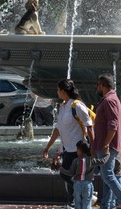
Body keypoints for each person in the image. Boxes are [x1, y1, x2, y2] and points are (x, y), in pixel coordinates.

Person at [43, 79, 95, 209]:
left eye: (58, 89)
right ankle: (72, 203)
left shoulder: (77, 106)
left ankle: (88, 194)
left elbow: (89, 126)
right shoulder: (63, 106)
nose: (57, 92)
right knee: (70, 177)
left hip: (78, 150)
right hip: (68, 149)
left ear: (63, 91)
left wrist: (93, 147)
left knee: (65, 174)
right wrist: (49, 147)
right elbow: (58, 129)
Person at [92, 74, 121, 209]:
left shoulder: (109, 100)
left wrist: (105, 144)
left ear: (103, 85)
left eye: (98, 85)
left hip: (107, 146)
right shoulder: (110, 99)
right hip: (105, 144)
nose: (97, 88)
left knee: (108, 176)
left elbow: (113, 125)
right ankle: (107, 205)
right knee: (107, 178)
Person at [59, 139, 110, 209]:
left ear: (80, 150)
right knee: (87, 202)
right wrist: (107, 154)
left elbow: (70, 173)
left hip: (77, 185)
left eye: (77, 149)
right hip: (87, 184)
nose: (76, 151)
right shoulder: (91, 160)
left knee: (77, 203)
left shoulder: (76, 161)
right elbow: (103, 161)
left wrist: (62, 170)